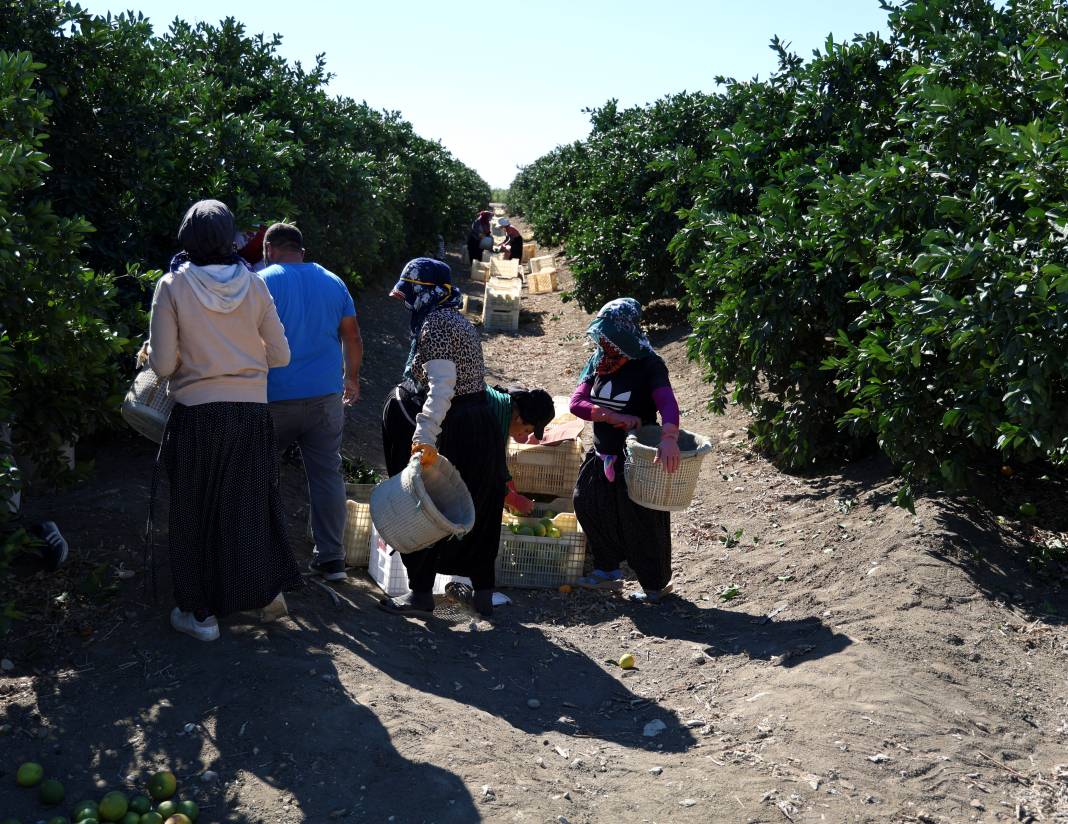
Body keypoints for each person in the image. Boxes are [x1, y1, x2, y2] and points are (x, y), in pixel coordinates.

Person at [148, 199, 302, 641]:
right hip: (251, 414)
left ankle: (201, 616)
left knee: (193, 513)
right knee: (246, 508)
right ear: (231, 236)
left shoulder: (172, 286)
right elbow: (282, 355)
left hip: (197, 416)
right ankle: (255, 595)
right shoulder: (254, 286)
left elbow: (161, 365)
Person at [379, 258, 508, 619]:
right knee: (479, 508)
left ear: (429, 293)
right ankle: (483, 593)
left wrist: (424, 437)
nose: (407, 302)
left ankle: (420, 594)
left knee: (426, 506)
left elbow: (441, 387)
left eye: (411, 294)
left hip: (456, 425)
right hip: (478, 421)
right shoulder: (456, 318)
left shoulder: (435, 323)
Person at [259, 222, 363, 582]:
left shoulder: (262, 281)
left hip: (274, 396)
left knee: (261, 474)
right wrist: (351, 378)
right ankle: (332, 559)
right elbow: (352, 336)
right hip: (324, 396)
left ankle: (263, 556)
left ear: (270, 249)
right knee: (326, 475)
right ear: (301, 250)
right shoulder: (333, 281)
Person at [568, 298, 681, 603]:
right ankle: (607, 569)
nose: (604, 342)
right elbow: (577, 403)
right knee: (588, 503)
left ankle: (654, 585)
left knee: (641, 519)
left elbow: (667, 404)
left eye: (610, 336)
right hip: (603, 452)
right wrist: (611, 416)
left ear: (626, 333)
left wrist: (669, 437)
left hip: (637, 456)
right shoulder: (599, 361)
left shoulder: (648, 364)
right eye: (602, 336)